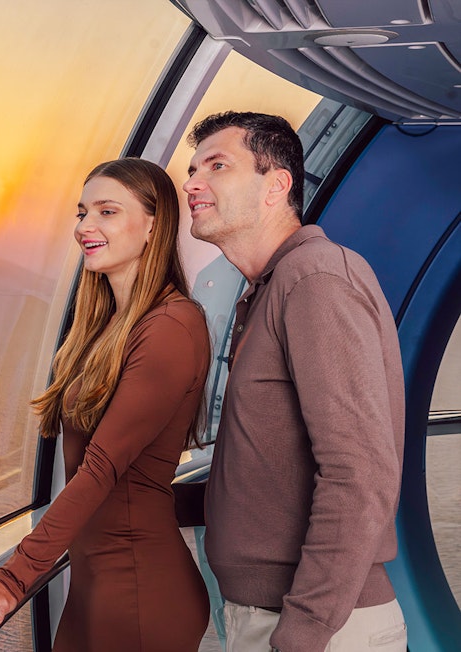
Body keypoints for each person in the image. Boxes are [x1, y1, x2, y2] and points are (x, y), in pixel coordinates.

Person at [0, 158, 211, 651]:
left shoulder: (171, 326)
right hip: (98, 589)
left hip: (139, 596)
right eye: (82, 212)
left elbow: (101, 467)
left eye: (107, 212)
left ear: (155, 225)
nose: (85, 227)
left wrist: (14, 578)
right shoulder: (112, 327)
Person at [180, 111, 407, 651]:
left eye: (217, 165)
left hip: (319, 627)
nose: (191, 183)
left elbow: (361, 474)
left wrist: (303, 633)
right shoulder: (269, 289)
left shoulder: (316, 280)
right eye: (191, 170)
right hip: (275, 616)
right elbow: (269, 465)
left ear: (276, 185)